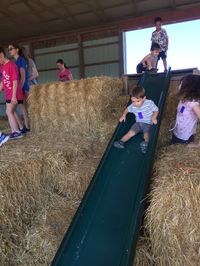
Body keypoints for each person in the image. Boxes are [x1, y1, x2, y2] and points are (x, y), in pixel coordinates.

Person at [113, 85, 159, 153]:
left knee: (146, 134)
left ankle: (145, 144)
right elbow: (127, 109)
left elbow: (156, 110)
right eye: (133, 101)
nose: (135, 104)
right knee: (130, 133)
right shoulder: (133, 106)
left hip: (147, 123)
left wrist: (154, 117)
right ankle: (121, 141)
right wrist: (124, 115)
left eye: (138, 101)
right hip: (138, 123)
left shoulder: (149, 103)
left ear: (144, 98)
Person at [0, 46, 24, 139]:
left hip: (14, 93)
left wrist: (14, 96)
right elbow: (3, 80)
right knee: (10, 111)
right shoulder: (2, 67)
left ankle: (16, 132)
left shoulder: (12, 65)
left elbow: (15, 81)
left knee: (9, 111)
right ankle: (17, 130)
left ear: (1, 55)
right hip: (8, 93)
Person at [171, 74, 200, 146]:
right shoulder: (183, 99)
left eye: (181, 84)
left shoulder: (193, 104)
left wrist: (198, 144)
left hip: (185, 138)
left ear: (189, 88)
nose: (179, 86)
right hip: (177, 132)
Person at [8, 44, 30, 133]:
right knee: (18, 108)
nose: (9, 51)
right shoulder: (15, 62)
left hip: (23, 87)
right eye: (8, 49)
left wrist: (19, 89)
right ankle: (22, 127)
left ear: (17, 50)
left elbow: (23, 76)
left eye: (11, 49)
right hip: (18, 88)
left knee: (23, 107)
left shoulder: (21, 60)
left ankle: (27, 127)